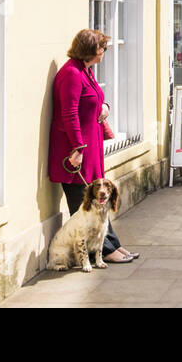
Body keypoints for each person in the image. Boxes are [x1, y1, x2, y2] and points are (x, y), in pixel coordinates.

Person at [48, 29, 135, 264]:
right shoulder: (71, 74)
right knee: (86, 204)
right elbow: (69, 113)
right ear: (89, 49)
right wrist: (77, 148)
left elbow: (95, 97)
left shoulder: (85, 70)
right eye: (101, 48)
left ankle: (113, 244)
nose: (103, 52)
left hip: (90, 146)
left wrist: (105, 105)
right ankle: (106, 251)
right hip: (76, 152)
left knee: (100, 203)